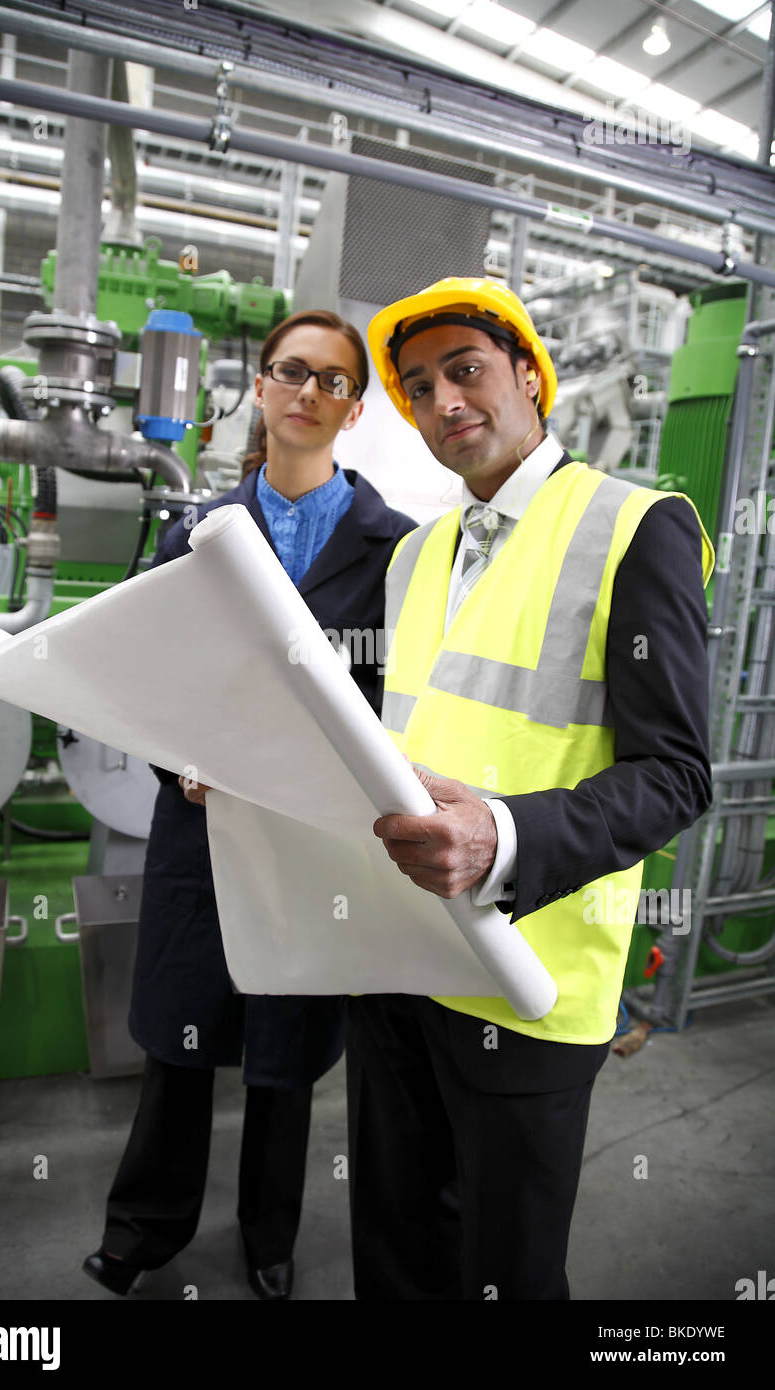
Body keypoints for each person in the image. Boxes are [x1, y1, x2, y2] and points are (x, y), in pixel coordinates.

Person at [345, 277, 714, 1301]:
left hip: (525, 979)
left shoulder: (632, 527)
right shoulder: (414, 554)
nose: (443, 401)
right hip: (395, 956)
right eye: (417, 388)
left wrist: (499, 840)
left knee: (499, 1268)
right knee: (392, 1245)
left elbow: (676, 774)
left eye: (464, 369)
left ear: (527, 375)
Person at [83, 309, 415, 1300]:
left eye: (332, 380)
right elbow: (141, 669)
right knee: (181, 1044)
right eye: (291, 371)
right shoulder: (195, 533)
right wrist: (175, 760)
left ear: (351, 410)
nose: (308, 391)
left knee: (284, 1052)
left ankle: (268, 1235)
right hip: (203, 829)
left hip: (312, 840)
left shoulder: (391, 549)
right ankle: (144, 1228)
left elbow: (398, 697)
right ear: (261, 388)